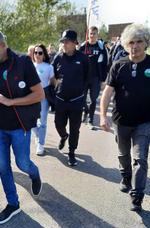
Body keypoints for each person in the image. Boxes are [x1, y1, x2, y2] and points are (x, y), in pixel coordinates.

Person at [100, 24, 150, 211]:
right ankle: (126, 176)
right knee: (123, 154)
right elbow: (107, 92)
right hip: (121, 121)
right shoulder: (118, 65)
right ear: (125, 44)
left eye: (139, 42)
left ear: (146, 43)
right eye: (131, 42)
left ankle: (137, 195)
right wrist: (103, 116)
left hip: (143, 121)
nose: (135, 46)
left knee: (141, 159)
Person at [0, 29, 44, 224]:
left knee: (22, 164)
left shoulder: (23, 62)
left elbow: (39, 94)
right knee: (3, 167)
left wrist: (10, 101)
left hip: (19, 126)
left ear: (3, 45)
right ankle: (13, 204)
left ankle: (34, 174)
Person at [52, 29, 89, 166]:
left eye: (66, 42)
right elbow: (53, 74)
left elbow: (87, 77)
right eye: (63, 42)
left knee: (75, 129)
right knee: (58, 124)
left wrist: (82, 93)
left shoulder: (83, 58)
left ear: (74, 43)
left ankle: (71, 153)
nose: (64, 44)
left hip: (76, 101)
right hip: (61, 99)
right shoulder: (58, 57)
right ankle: (63, 136)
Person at [79, 26, 108, 126]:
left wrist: (104, 80)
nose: (92, 35)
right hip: (83, 78)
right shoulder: (83, 46)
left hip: (95, 78)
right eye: (90, 33)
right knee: (82, 98)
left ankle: (91, 119)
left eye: (94, 33)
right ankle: (85, 111)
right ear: (88, 34)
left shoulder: (101, 48)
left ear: (97, 35)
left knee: (93, 99)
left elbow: (105, 64)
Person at [31, 44, 56, 156]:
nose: (37, 55)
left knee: (42, 122)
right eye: (35, 52)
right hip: (30, 96)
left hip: (44, 96)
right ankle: (37, 135)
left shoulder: (49, 67)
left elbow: (52, 82)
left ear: (44, 54)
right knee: (30, 121)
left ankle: (40, 144)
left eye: (40, 53)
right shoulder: (30, 66)